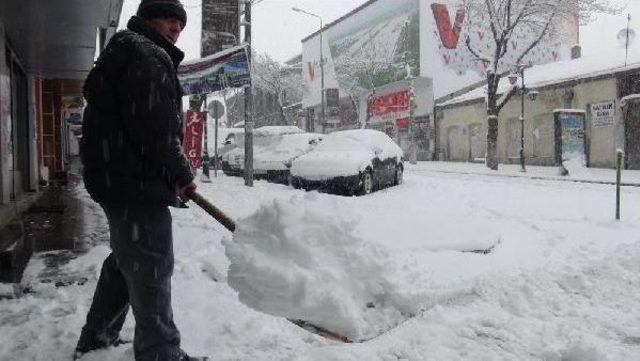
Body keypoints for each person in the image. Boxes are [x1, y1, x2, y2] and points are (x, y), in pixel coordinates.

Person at [76, 1, 206, 360]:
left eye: (180, 23)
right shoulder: (147, 56)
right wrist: (180, 174)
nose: (175, 28)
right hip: (133, 183)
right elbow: (157, 130)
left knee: (126, 259)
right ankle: (160, 353)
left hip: (116, 178)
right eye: (168, 19)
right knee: (150, 264)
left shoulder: (126, 49)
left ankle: (97, 338)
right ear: (148, 19)